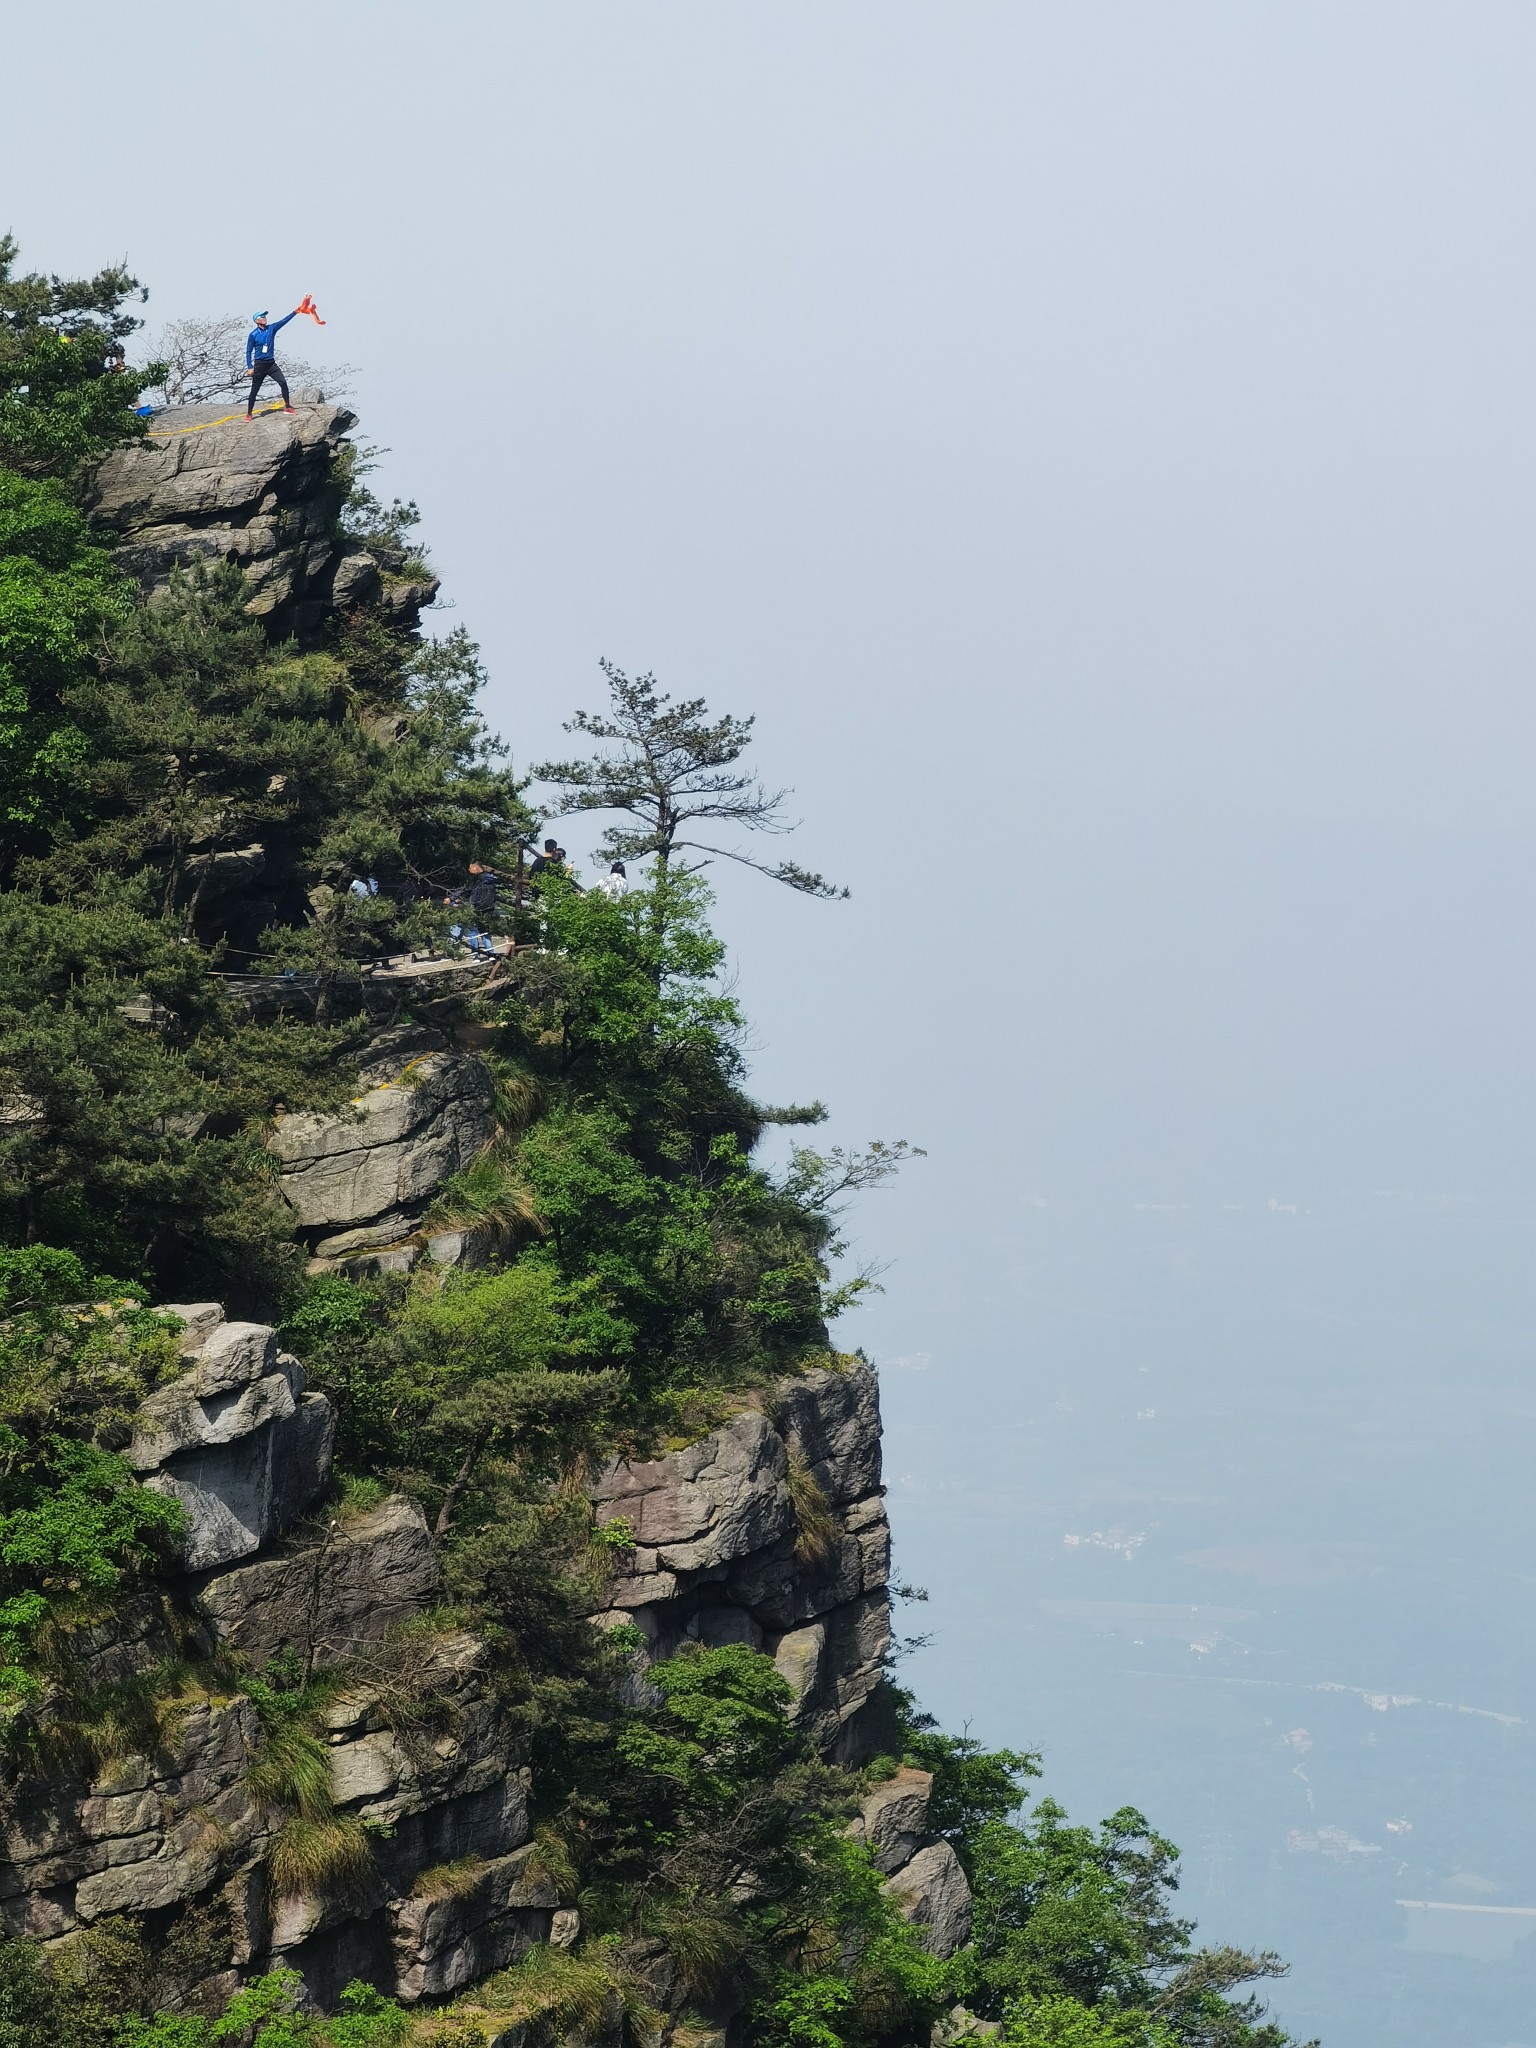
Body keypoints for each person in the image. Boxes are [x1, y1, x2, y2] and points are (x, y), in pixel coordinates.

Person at [245, 308, 301, 419]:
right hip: (260, 365)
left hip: (271, 364)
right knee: (254, 390)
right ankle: (249, 413)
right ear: (256, 320)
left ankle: (288, 407)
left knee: (283, 382)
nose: (264, 318)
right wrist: (250, 367)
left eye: (265, 316)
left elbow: (283, 321)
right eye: (262, 317)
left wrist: (295, 312)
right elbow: (248, 351)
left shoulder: (271, 329)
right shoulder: (253, 335)